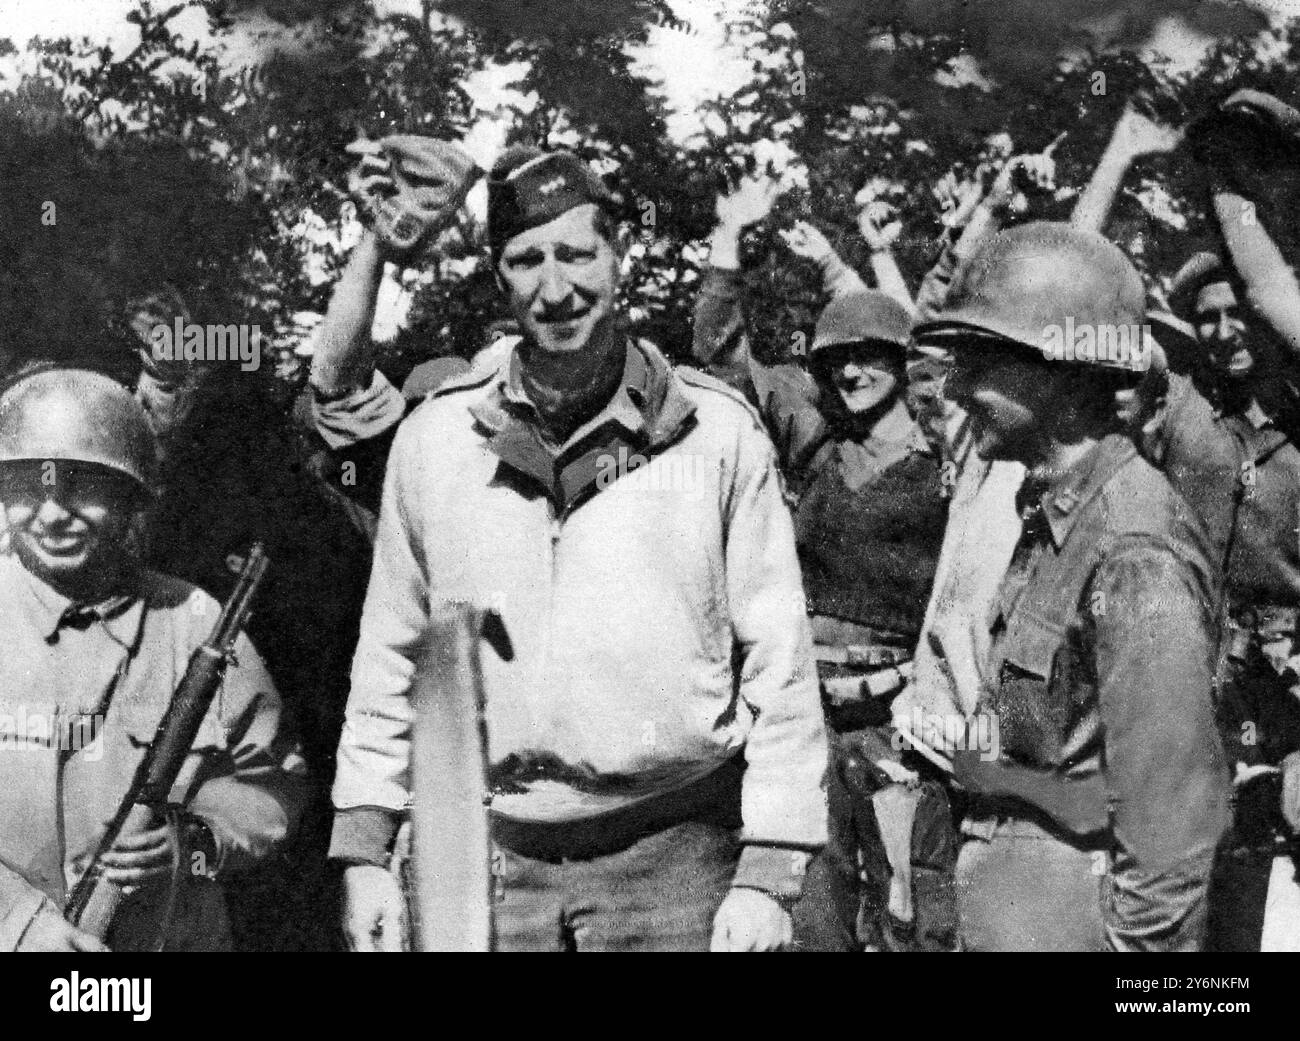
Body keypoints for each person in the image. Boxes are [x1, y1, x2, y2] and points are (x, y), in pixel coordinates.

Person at [329, 146, 829, 952]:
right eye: (527, 259)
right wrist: (365, 850)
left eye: (576, 253)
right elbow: (393, 655)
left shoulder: (714, 432)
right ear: (499, 275)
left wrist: (771, 868)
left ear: (618, 254)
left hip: (676, 862)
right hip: (490, 865)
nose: (555, 288)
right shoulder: (436, 442)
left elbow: (780, 661)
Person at [914, 222, 1232, 951]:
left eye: (981, 363)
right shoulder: (1056, 511)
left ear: (1061, 376)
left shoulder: (1132, 546)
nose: (957, 387)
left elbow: (1171, 818)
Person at [691, 174, 954, 950]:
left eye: (872, 354)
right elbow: (720, 356)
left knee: (914, 915)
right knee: (812, 919)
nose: (852, 370)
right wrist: (730, 240)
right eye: (838, 357)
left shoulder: (947, 460)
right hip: (807, 719)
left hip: (904, 725)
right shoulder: (814, 446)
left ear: (902, 362)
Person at [0, 369, 307, 951]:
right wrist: (17, 923)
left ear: (131, 497)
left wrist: (196, 845)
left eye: (83, 487)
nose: (52, 514)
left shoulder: (193, 620)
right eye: (26, 489)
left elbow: (275, 786)